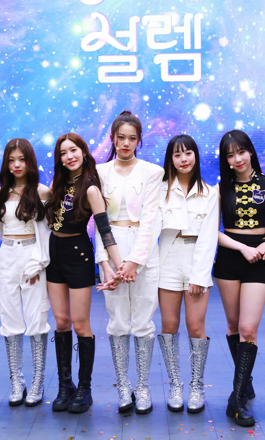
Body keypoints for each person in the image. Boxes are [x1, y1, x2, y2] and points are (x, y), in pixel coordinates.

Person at [46, 133, 123, 414]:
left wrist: (119, 266)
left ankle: (84, 388)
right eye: (63, 153)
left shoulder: (90, 188)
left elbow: (105, 231)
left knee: (80, 324)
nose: (69, 156)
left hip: (78, 254)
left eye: (73, 150)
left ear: (83, 152)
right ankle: (64, 386)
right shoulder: (58, 184)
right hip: (54, 253)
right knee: (61, 322)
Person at [94, 110, 163, 414]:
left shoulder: (153, 172)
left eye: (131, 138)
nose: (125, 143)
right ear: (112, 138)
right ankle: (123, 386)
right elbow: (98, 222)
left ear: (139, 140)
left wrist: (135, 260)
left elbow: (150, 219)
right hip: (111, 247)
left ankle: (143, 386)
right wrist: (105, 262)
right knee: (118, 321)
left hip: (144, 250)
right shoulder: (99, 172)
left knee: (144, 322)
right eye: (120, 137)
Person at [213, 130, 265, 427]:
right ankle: (246, 382)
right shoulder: (220, 189)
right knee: (233, 326)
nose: (237, 159)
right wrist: (241, 247)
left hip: (259, 262)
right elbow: (211, 231)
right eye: (230, 155)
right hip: (229, 259)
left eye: (241, 152)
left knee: (247, 329)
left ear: (250, 151)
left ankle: (238, 398)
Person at [156, 134, 218, 413]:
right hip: (167, 259)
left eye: (188, 153)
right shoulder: (159, 190)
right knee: (169, 325)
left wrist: (200, 275)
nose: (183, 159)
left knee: (195, 326)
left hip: (196, 260)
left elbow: (209, 237)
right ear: (170, 159)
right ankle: (175, 385)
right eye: (177, 154)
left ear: (196, 156)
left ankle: (196, 386)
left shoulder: (210, 192)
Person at [0, 138, 51, 407]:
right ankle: (17, 381)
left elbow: (47, 232)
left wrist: (39, 261)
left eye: (22, 159)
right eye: (11, 160)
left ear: (30, 161)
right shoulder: (1, 193)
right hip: (7, 256)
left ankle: (38, 381)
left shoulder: (41, 191)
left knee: (37, 317)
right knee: (10, 318)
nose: (17, 165)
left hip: (32, 256)